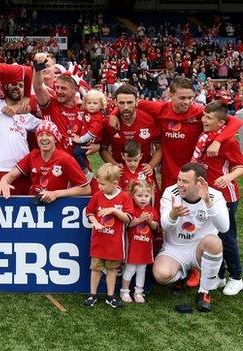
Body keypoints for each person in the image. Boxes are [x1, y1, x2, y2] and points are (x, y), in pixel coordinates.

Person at [112, 78, 241, 189]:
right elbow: (129, 103)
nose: (187, 102)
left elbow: (235, 121)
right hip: (169, 172)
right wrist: (114, 114)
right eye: (182, 98)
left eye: (190, 97)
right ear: (170, 94)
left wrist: (218, 141)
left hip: (194, 172)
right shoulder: (159, 108)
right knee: (170, 210)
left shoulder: (199, 111)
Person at [154, 163, 229, 312]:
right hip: (175, 249)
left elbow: (224, 228)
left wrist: (208, 202)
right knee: (161, 276)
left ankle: (204, 292)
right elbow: (165, 226)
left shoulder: (214, 196)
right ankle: (185, 274)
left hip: (200, 249)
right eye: (179, 179)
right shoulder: (171, 193)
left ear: (198, 184)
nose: (180, 184)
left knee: (214, 242)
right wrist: (173, 215)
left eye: (185, 181)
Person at [191, 101, 243, 295]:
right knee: (210, 236)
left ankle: (237, 277)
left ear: (221, 123)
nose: (203, 119)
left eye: (209, 118)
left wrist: (228, 176)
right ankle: (219, 276)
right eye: (203, 115)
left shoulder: (228, 141)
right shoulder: (205, 136)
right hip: (206, 195)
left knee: (226, 237)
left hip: (225, 196)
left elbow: (240, 166)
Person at [0, 121, 90, 200]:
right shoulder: (33, 155)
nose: (44, 138)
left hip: (57, 207)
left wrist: (55, 194)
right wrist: (4, 181)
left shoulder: (66, 159)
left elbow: (86, 189)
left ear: (56, 139)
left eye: (49, 135)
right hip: (33, 205)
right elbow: (11, 175)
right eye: (40, 135)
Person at [84, 163, 133, 308]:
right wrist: (96, 223)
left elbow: (129, 218)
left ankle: (110, 296)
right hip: (99, 242)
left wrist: (114, 210)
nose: (99, 187)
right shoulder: (97, 196)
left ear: (115, 183)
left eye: (102, 184)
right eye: (98, 183)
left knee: (112, 269)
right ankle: (92, 294)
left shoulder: (124, 198)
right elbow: (89, 212)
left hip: (115, 243)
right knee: (96, 268)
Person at [101, 84, 162, 177]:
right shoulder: (109, 122)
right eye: (121, 103)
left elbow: (160, 149)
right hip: (119, 174)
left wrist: (151, 165)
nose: (126, 107)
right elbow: (103, 150)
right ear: (115, 102)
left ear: (136, 101)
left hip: (144, 174)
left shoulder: (150, 120)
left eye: (129, 102)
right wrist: (114, 165)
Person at [120, 180, 160, 304]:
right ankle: (124, 291)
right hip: (133, 247)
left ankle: (138, 291)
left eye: (146, 196)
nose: (143, 199)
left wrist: (150, 222)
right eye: (139, 196)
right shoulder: (130, 209)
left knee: (142, 269)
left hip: (145, 247)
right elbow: (126, 225)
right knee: (130, 269)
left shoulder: (152, 210)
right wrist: (138, 220)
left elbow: (156, 227)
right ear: (132, 195)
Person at [71, 89, 107, 177]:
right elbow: (85, 98)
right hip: (85, 138)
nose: (91, 106)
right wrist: (80, 88)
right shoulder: (88, 111)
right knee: (78, 154)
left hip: (90, 141)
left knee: (76, 153)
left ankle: (86, 171)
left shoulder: (98, 118)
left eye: (95, 103)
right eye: (89, 103)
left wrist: (80, 140)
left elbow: (91, 134)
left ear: (101, 105)